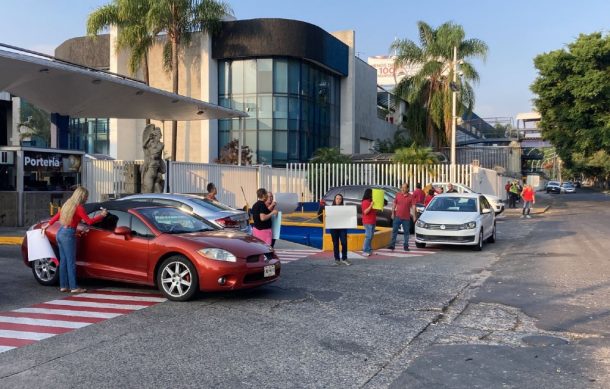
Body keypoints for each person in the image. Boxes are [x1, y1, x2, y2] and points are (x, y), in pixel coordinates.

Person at [41, 187, 107, 293]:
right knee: (71, 262)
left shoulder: (68, 204)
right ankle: (74, 287)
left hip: (61, 232)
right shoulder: (79, 207)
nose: (87, 198)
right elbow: (89, 221)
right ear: (82, 196)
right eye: (86, 196)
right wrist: (101, 216)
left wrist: (47, 225)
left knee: (63, 261)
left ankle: (64, 286)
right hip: (68, 234)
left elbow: (57, 215)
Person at [389, 182, 416, 251]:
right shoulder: (398, 195)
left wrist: (414, 216)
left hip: (406, 218)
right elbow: (394, 204)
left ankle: (406, 246)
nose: (403, 189)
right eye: (402, 187)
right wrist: (392, 213)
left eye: (404, 187)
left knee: (406, 233)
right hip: (397, 216)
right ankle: (392, 245)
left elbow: (413, 206)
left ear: (407, 188)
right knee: (394, 231)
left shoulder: (411, 196)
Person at [329, 194, 350, 265]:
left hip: (342, 228)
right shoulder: (330, 208)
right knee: (335, 244)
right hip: (333, 228)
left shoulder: (344, 208)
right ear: (334, 199)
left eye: (340, 199)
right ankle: (337, 259)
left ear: (342, 200)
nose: (338, 200)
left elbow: (348, 218)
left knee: (344, 242)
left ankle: (344, 258)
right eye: (337, 198)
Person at [361, 188, 377, 257]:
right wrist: (371, 205)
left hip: (372, 221)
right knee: (368, 236)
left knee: (371, 236)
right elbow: (365, 212)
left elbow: (374, 211)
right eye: (372, 193)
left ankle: (369, 250)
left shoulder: (371, 201)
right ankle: (365, 250)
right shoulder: (365, 202)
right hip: (367, 222)